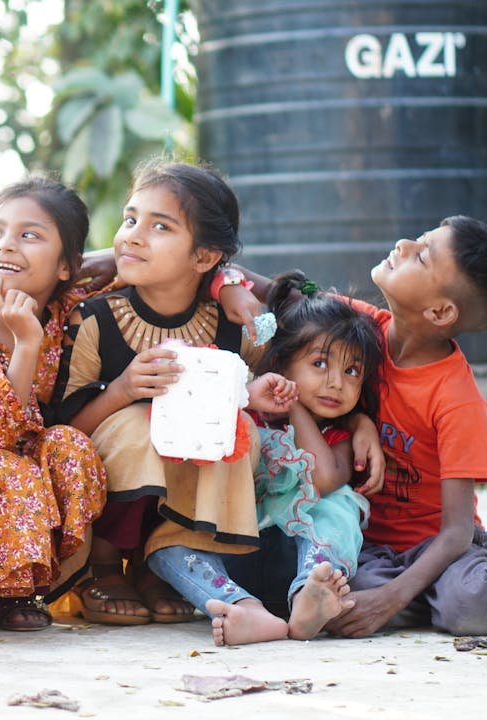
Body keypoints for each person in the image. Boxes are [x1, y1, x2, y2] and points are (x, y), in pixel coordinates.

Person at [230, 216, 487, 637]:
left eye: (423, 254)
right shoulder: (358, 331)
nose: (403, 244)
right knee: (332, 601)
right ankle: (429, 603)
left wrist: (393, 599)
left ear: (440, 311)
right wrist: (227, 280)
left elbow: (456, 532)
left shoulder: (457, 398)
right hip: (369, 547)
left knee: (471, 608)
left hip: (442, 552)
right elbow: (279, 292)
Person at [61, 160, 306, 645]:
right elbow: (66, 425)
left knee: (235, 429)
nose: (132, 236)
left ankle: (163, 566)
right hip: (108, 466)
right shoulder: (93, 318)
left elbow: (302, 309)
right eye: (130, 220)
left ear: (204, 256)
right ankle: (108, 567)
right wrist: (123, 391)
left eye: (160, 227)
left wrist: (258, 388)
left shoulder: (232, 321)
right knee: (139, 422)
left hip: (194, 470)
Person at [0, 177, 109, 632]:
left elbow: (150, 273)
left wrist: (230, 287)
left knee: (69, 443)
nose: (5, 246)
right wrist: (27, 344)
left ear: (66, 267)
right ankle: (7, 591)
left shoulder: (68, 309)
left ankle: (58, 580)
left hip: (34, 496)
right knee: (4, 464)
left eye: (29, 235)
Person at [248, 271, 386, 640]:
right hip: (244, 552)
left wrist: (296, 408)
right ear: (281, 363)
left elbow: (322, 479)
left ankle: (308, 596)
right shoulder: (250, 415)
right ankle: (229, 601)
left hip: (299, 562)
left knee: (338, 505)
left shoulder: (339, 435)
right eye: (320, 364)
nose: (336, 382)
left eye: (352, 370)